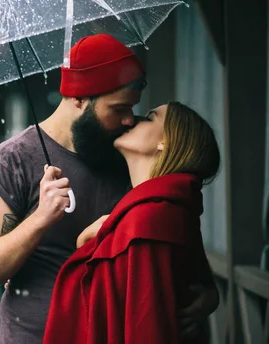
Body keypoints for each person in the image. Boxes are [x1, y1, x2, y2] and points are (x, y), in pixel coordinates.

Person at [0, 34, 218, 343]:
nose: (129, 120)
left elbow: (183, 254)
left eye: (133, 108)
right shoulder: (12, 161)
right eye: (118, 109)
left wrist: (206, 297)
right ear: (79, 98)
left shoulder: (128, 154)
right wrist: (40, 218)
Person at [43, 102, 220, 344]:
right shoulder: (164, 209)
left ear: (165, 142)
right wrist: (91, 240)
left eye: (150, 117)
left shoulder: (151, 219)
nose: (132, 119)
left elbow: (146, 327)